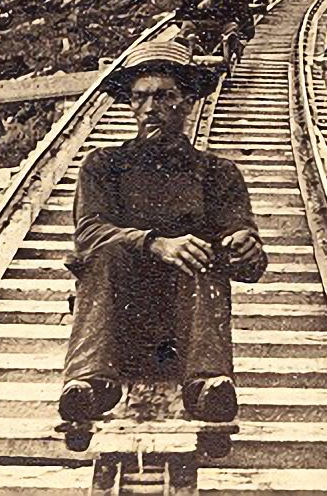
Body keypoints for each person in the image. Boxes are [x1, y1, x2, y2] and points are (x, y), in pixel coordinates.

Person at [59, 40, 267, 423]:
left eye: (163, 96)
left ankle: (208, 386)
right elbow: (88, 234)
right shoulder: (104, 165)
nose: (150, 108)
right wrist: (155, 243)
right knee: (105, 250)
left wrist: (244, 247)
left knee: (204, 253)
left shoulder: (218, 173)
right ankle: (88, 386)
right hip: (117, 329)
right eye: (139, 98)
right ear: (131, 104)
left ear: (187, 101)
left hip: (188, 334)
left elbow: (250, 264)